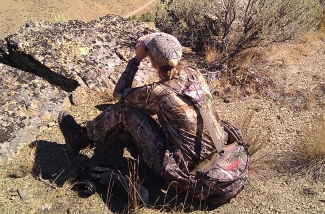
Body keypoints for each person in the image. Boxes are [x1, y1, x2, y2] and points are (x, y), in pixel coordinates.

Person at [58, 32, 226, 186]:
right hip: (218, 151)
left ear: (152, 61)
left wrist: (137, 59)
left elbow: (119, 93)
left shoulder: (158, 92)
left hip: (179, 167)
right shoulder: (193, 73)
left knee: (124, 110)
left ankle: (81, 137)